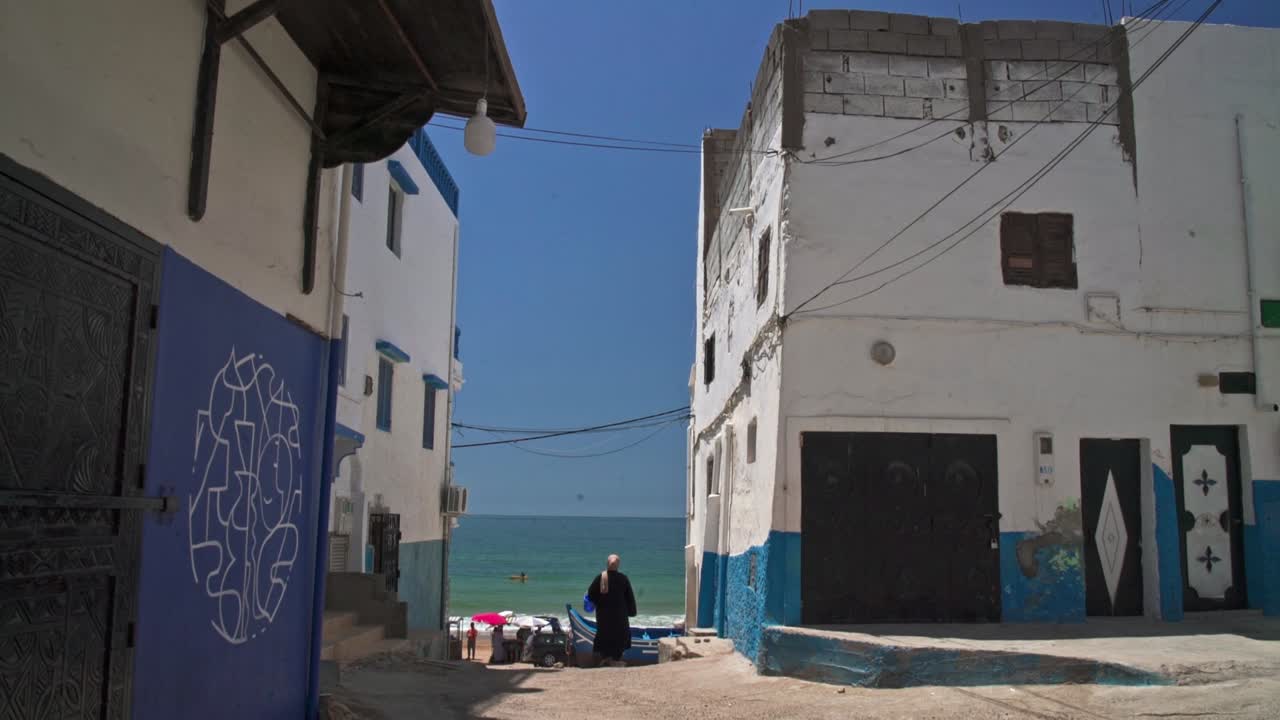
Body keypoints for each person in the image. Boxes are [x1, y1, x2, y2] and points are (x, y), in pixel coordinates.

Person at [585, 553, 636, 667]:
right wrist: (632, 612)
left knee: (604, 635)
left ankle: (605, 658)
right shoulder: (623, 578)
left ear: (607, 564)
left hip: (604, 616)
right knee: (619, 636)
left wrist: (598, 602)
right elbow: (630, 598)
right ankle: (616, 659)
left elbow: (591, 594)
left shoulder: (600, 577)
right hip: (620, 616)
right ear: (618, 565)